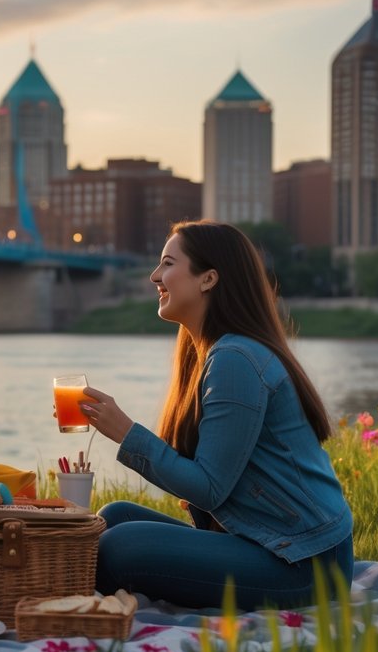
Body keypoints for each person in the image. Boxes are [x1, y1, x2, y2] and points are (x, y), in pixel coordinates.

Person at [78, 221, 353, 610]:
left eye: (167, 264)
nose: (155, 276)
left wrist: (126, 433)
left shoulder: (236, 359)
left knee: (116, 549)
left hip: (305, 563)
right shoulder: (209, 352)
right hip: (265, 540)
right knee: (113, 518)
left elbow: (209, 488)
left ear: (208, 279)